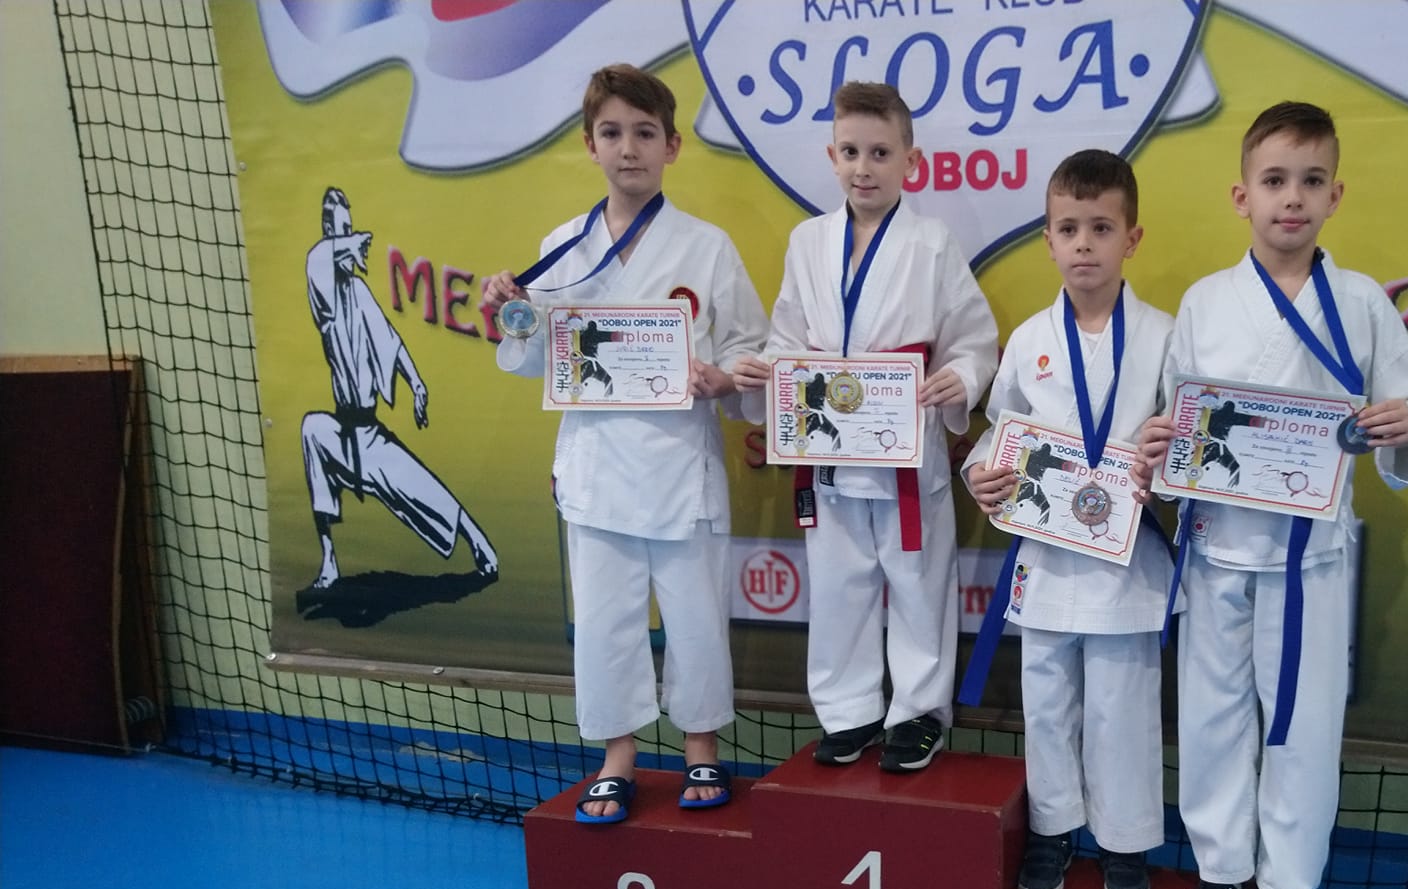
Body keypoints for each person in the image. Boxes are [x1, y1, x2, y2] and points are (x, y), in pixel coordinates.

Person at [1135, 101, 1408, 889]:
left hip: (1311, 559)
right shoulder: (1206, 301)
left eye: (1311, 181)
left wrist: (1406, 425)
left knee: (1303, 720)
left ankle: (1285, 882)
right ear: (1243, 196)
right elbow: (1179, 417)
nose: (1292, 198)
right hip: (1218, 545)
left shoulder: (1362, 302)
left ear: (1336, 195)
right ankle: (1221, 867)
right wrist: (1161, 444)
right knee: (1211, 714)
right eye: (1274, 180)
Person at [481, 64, 768, 822]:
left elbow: (753, 349)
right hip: (597, 468)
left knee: (696, 616)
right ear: (590, 145)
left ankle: (701, 748)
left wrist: (722, 378)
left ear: (672, 146)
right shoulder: (561, 248)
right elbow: (535, 356)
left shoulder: (708, 247)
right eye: (611, 133)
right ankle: (617, 756)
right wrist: (508, 313)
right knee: (605, 621)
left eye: (645, 133)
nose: (628, 148)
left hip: (681, 466)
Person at [734, 81, 998, 773]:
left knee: (918, 582)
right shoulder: (807, 241)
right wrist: (768, 371)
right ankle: (848, 710)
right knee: (838, 584)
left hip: (907, 448)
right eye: (850, 152)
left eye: (880, 153)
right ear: (832, 156)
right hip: (828, 447)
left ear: (911, 160)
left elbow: (974, 340)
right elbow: (787, 335)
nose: (864, 167)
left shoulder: (933, 244)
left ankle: (918, 712)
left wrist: (961, 377)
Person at [960, 149, 1177, 889]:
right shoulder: (1029, 340)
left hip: (1127, 560)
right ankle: (1052, 829)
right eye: (1069, 228)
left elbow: (1183, 442)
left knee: (1123, 707)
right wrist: (981, 475)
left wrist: (1164, 466)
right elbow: (999, 432)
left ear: (1131, 238)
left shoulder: (1164, 336)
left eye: (1101, 228)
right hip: (1047, 559)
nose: (1085, 244)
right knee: (1047, 702)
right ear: (1048, 240)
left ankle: (1125, 841)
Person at [300, 187, 497, 591]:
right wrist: (354, 241)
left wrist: (417, 384)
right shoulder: (324, 288)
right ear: (329, 232)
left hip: (368, 432)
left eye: (349, 230)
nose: (347, 240)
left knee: (421, 487)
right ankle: (329, 562)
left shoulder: (358, 291)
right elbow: (322, 255)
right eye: (340, 231)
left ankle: (478, 543)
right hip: (340, 431)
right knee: (312, 431)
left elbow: (389, 340)